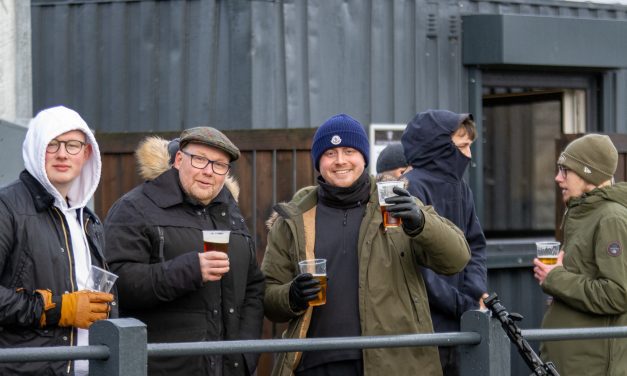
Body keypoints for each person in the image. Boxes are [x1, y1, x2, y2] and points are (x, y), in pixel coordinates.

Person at [262, 113, 471, 376]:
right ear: (318, 162)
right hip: (316, 365)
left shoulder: (397, 203)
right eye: (330, 153)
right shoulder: (292, 220)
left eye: (349, 150)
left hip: (396, 365)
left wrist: (421, 222)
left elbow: (457, 258)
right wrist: (291, 295)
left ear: (364, 157)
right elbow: (268, 297)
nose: (340, 161)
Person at [104, 128, 265, 376]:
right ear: (179, 160)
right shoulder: (134, 208)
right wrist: (190, 270)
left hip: (230, 368)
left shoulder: (230, 213)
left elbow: (254, 287)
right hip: (164, 367)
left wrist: (246, 353)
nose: (209, 170)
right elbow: (118, 283)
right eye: (200, 159)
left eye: (219, 165)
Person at [0, 106, 115, 375]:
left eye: (73, 145)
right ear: (36, 148)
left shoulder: (88, 220)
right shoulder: (6, 208)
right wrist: (58, 309)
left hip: (91, 367)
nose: (63, 153)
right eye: (53, 144)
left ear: (86, 154)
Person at [401, 109, 488, 376]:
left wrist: (476, 292)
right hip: (424, 326)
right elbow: (411, 262)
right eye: (462, 146)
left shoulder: (461, 188)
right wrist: (465, 304)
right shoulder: (410, 187)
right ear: (439, 147)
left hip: (464, 322)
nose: (469, 155)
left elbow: (475, 244)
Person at [533, 134, 627, 375]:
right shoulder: (583, 212)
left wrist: (555, 278)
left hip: (592, 367)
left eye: (565, 171)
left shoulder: (611, 218)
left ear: (588, 174)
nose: (557, 178)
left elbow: (617, 294)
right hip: (570, 364)